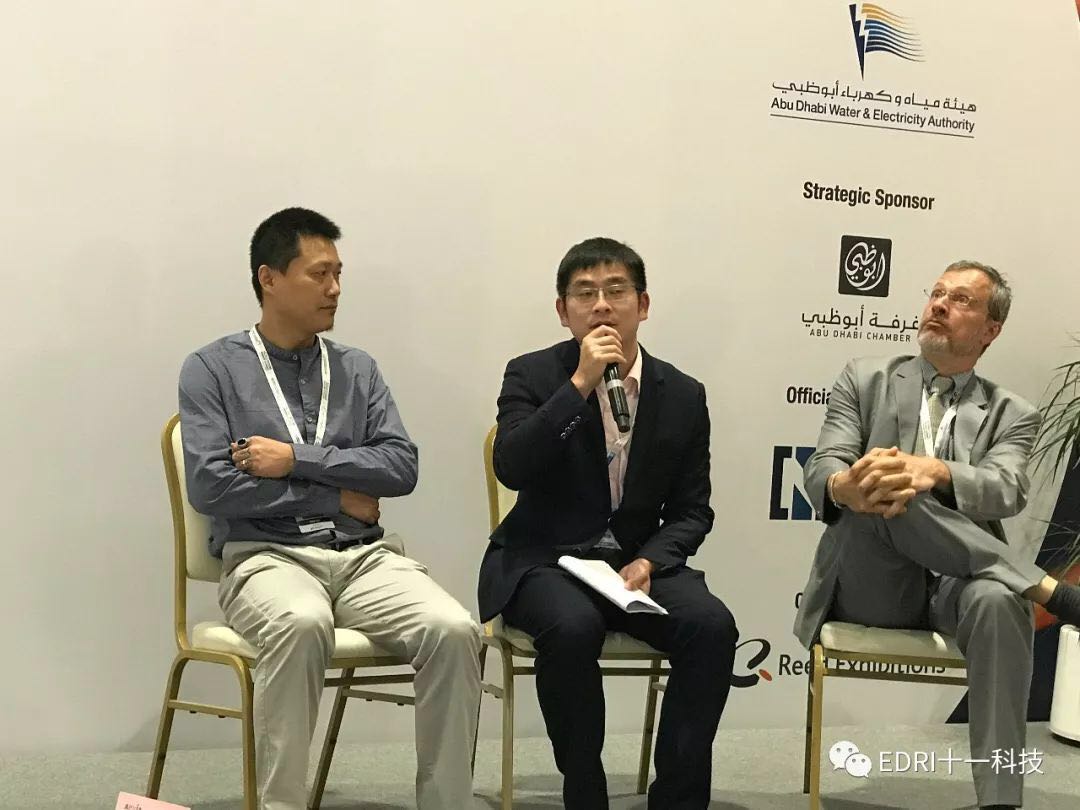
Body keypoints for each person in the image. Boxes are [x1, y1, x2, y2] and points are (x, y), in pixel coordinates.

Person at [178, 207, 481, 810]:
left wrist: (295, 457)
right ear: (269, 278)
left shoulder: (357, 368)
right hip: (266, 557)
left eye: (339, 273)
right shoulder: (211, 368)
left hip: (362, 557)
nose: (335, 288)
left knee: (454, 630)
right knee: (300, 622)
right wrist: (337, 494)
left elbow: (400, 467)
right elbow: (212, 487)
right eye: (320, 274)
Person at [793, 260, 1080, 810]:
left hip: (961, 584)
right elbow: (825, 461)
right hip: (875, 582)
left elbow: (1006, 489)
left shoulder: (1011, 412)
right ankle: (1045, 588)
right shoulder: (866, 378)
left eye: (961, 300)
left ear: (991, 329)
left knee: (998, 601)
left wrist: (938, 471)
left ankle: (1000, 800)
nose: (941, 305)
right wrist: (843, 485)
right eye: (937, 294)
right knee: (883, 489)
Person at [478, 237, 739, 810]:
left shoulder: (683, 394)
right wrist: (579, 385)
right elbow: (512, 466)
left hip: (634, 563)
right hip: (544, 559)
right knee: (572, 627)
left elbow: (693, 510)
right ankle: (585, 791)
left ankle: (677, 799)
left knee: (711, 628)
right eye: (584, 293)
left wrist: (650, 560)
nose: (601, 305)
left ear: (642, 305)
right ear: (562, 310)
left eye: (616, 290)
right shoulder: (531, 374)